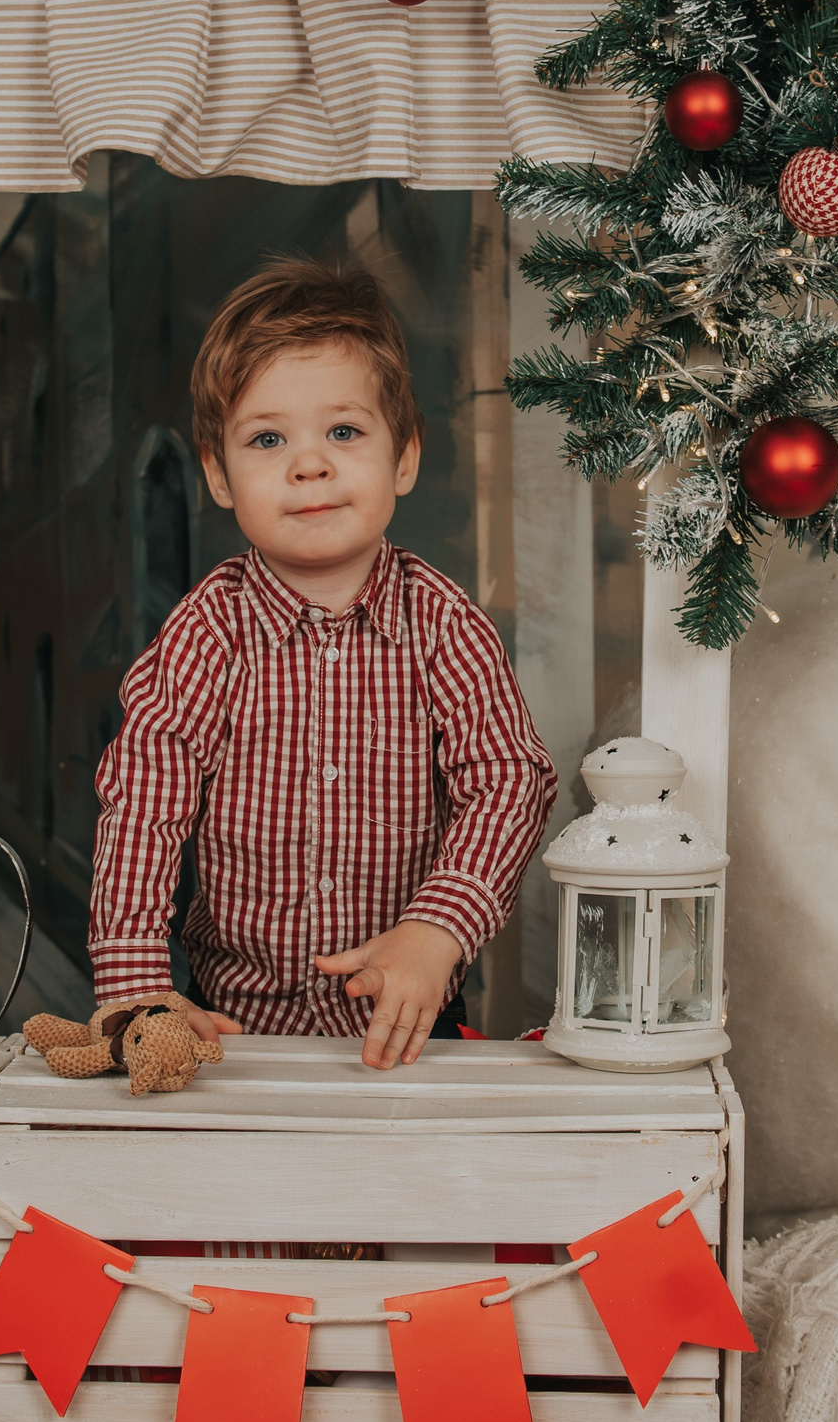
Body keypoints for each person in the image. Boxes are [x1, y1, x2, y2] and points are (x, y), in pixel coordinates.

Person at [88, 257, 558, 1070]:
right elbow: (144, 802)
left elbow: (510, 778)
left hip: (409, 1026)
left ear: (403, 457)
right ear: (218, 474)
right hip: (235, 1034)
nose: (309, 464)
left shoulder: (444, 625)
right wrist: (136, 986)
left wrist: (437, 929)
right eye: (268, 439)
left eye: (344, 431)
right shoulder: (208, 633)